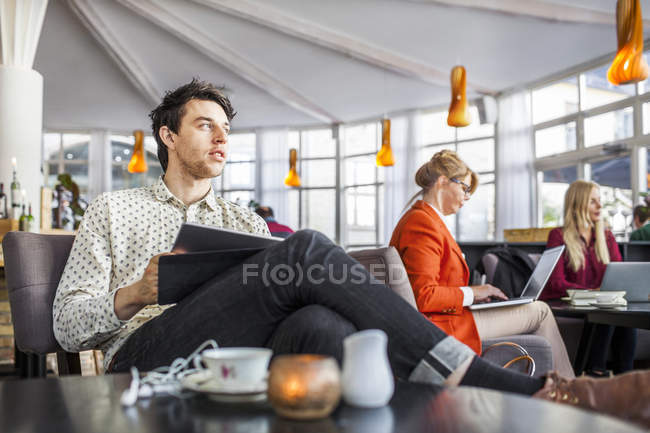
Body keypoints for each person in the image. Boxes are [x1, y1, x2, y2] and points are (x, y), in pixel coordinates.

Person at [51, 79, 650, 427]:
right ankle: (509, 391)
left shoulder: (237, 218)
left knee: (319, 320)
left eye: (225, 129)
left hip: (239, 358)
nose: (221, 137)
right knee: (309, 249)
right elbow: (66, 326)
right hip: (148, 364)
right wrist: (134, 294)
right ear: (168, 135)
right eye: (205, 125)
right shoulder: (113, 210)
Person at [390, 150, 574, 378]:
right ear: (442, 182)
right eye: (465, 188)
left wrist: (473, 296)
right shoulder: (422, 224)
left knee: (537, 312)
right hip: (441, 323)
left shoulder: (424, 219)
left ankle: (549, 387)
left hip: (447, 315)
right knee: (541, 311)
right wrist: (472, 293)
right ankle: (569, 388)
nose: (467, 197)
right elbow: (424, 296)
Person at [541, 180, 637, 376]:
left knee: (623, 316)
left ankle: (625, 379)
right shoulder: (558, 236)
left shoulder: (607, 237)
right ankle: (596, 373)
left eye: (599, 200)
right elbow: (556, 282)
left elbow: (619, 274)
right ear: (578, 204)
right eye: (593, 201)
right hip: (567, 304)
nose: (600, 206)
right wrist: (592, 293)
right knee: (608, 313)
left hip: (598, 303)